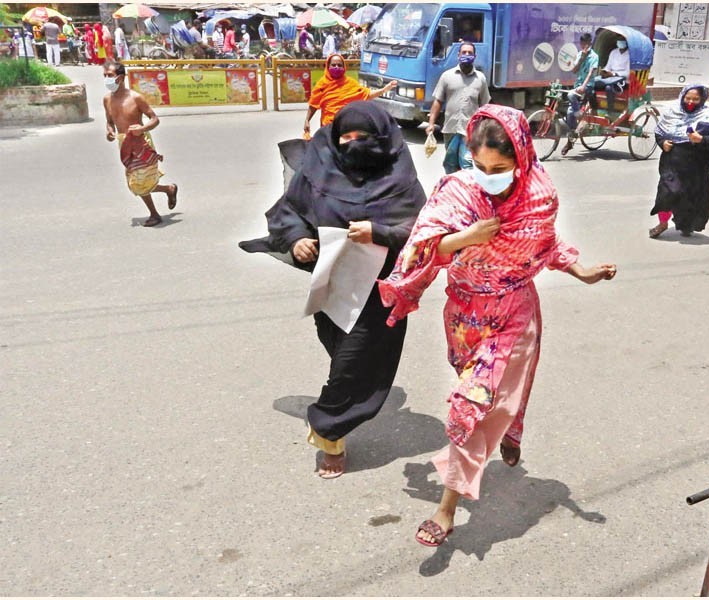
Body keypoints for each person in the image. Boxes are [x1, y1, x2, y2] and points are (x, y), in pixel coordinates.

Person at [378, 105, 617, 547]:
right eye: (480, 165)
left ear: (522, 159)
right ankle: (505, 434)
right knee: (491, 402)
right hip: (465, 317)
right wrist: (470, 236)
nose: (489, 175)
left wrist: (581, 270)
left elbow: (545, 242)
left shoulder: (540, 195)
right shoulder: (457, 190)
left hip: (516, 313)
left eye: (500, 168)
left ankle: (446, 509)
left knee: (471, 406)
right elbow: (424, 246)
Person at [240, 102, 427, 479]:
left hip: (381, 291)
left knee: (354, 363)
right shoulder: (319, 167)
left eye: (364, 138)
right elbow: (289, 212)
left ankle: (329, 431)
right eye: (347, 138)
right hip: (333, 283)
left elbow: (423, 231)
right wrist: (296, 241)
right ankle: (342, 401)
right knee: (341, 355)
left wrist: (380, 233)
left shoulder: (400, 178)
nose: (354, 144)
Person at [102, 62, 179, 228]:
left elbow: (154, 119)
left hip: (140, 142)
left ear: (120, 78)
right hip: (124, 144)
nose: (107, 79)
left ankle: (154, 214)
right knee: (137, 181)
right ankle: (168, 190)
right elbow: (109, 122)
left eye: (110, 75)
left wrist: (142, 128)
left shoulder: (135, 98)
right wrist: (109, 132)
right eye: (105, 76)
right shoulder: (107, 99)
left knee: (139, 181)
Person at [649, 84, 709, 238]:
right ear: (682, 97)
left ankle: (686, 225)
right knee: (667, 192)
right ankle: (663, 223)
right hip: (673, 161)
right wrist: (663, 143)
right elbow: (659, 132)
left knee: (691, 197)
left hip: (697, 164)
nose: (690, 102)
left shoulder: (708, 115)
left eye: (695, 99)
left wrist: (701, 139)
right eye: (688, 98)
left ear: (702, 99)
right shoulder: (673, 112)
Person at [425, 42, 491, 174]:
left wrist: (485, 129)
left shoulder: (480, 79)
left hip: (470, 130)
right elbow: (438, 101)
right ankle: (454, 189)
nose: (467, 55)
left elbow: (485, 105)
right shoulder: (447, 76)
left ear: (475, 56)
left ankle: (468, 190)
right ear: (458, 55)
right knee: (450, 164)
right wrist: (431, 123)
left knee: (467, 163)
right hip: (450, 128)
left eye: (470, 53)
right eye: (464, 52)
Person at [305, 54, 397, 136]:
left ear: (344, 67)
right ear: (328, 66)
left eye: (339, 65)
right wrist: (307, 120)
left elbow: (367, 94)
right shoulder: (322, 84)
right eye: (333, 65)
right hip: (328, 128)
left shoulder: (350, 83)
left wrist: (385, 89)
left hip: (346, 129)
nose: (336, 67)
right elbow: (313, 105)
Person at [560, 33, 599, 156]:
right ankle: (571, 140)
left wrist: (584, 86)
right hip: (578, 85)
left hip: (588, 86)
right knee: (569, 114)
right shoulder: (580, 54)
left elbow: (591, 73)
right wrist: (581, 58)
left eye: (585, 44)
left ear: (589, 43)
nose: (583, 46)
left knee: (571, 96)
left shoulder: (594, 56)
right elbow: (574, 70)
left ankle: (578, 113)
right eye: (581, 44)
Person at [594, 34, 630, 113]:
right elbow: (608, 66)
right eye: (619, 41)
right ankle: (594, 108)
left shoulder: (629, 55)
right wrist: (604, 71)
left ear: (626, 42)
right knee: (593, 84)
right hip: (610, 77)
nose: (620, 43)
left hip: (622, 81)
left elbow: (628, 73)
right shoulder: (614, 52)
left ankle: (610, 111)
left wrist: (613, 74)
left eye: (622, 41)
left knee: (608, 88)